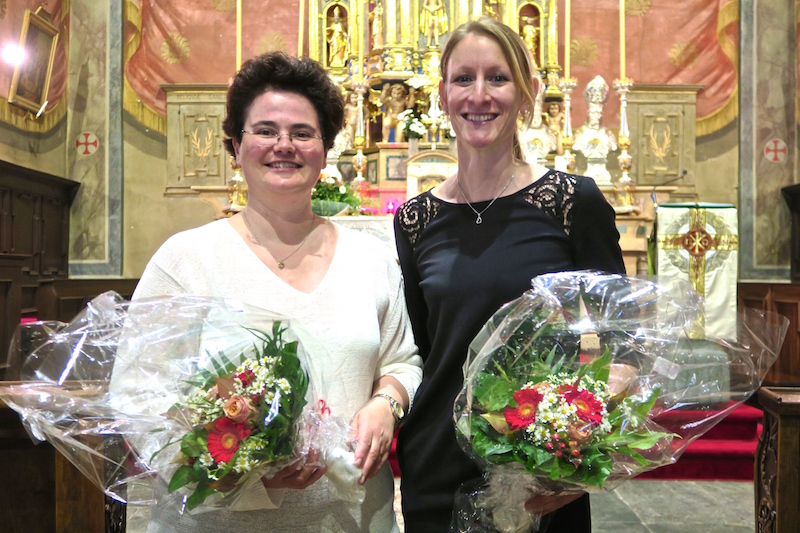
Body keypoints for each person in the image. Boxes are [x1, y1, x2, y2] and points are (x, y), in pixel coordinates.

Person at [133, 52, 422, 532]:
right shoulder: (185, 261)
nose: (284, 145)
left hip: (353, 520)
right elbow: (140, 401)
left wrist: (386, 404)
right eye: (265, 130)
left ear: (325, 150)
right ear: (236, 145)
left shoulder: (370, 259)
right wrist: (240, 476)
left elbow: (403, 361)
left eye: (303, 133)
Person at [393, 17, 625, 533]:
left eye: (497, 78)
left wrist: (580, 448)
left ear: (526, 93)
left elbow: (622, 340)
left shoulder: (572, 203)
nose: (479, 95)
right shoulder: (414, 219)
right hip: (436, 458)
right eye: (463, 78)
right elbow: (420, 349)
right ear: (442, 95)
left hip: (539, 466)